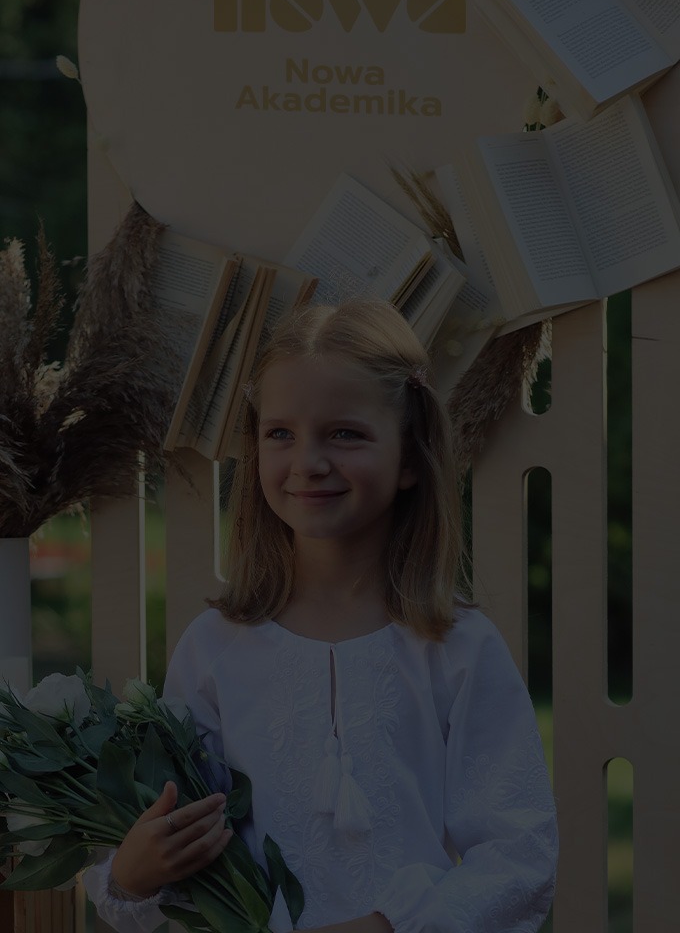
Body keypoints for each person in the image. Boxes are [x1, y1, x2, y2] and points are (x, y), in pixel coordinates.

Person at [84, 298, 558, 933]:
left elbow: (520, 856)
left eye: (345, 433)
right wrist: (130, 876)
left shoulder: (459, 647)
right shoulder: (214, 648)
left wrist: (386, 927)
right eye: (281, 433)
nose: (308, 461)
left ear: (410, 456)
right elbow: (184, 856)